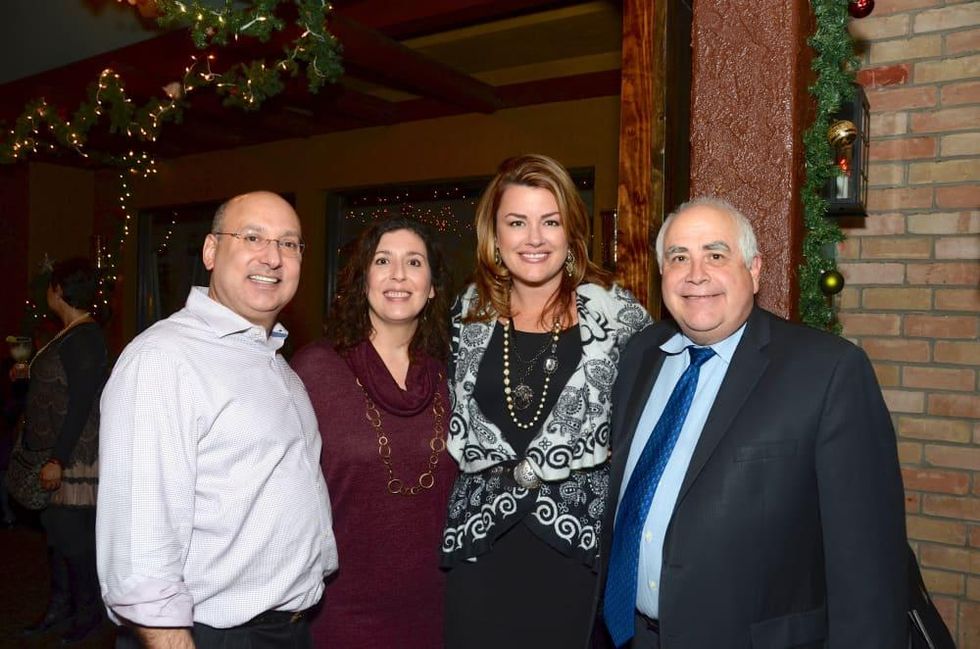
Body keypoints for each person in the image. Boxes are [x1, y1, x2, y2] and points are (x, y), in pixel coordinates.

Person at [600, 196, 908, 648]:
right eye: (679, 257)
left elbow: (869, 571)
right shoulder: (640, 356)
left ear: (755, 270)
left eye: (716, 255)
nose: (696, 274)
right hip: (632, 636)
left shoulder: (827, 372)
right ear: (662, 273)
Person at [97, 191, 338, 649]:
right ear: (210, 251)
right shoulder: (164, 360)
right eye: (252, 237)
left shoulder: (274, 364)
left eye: (289, 244)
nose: (272, 257)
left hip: (283, 629)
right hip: (206, 635)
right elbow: (139, 559)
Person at [441, 154, 651, 648]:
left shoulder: (620, 317)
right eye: (517, 222)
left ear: (571, 234)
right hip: (480, 546)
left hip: (576, 552)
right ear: (495, 237)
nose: (534, 238)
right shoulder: (466, 314)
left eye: (550, 222)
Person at [291, 217, 454, 648]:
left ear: (433, 286)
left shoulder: (453, 375)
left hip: (440, 608)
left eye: (414, 262)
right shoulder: (315, 370)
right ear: (363, 279)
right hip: (341, 612)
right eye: (383, 260)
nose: (398, 274)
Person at [19, 258, 108, 644]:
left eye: (50, 286)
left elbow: (83, 402)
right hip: (58, 454)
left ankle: (89, 615)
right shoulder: (69, 333)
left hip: (74, 458)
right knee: (57, 538)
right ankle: (61, 609)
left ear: (58, 289)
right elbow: (63, 384)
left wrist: (57, 459)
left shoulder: (85, 336)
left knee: (75, 543)